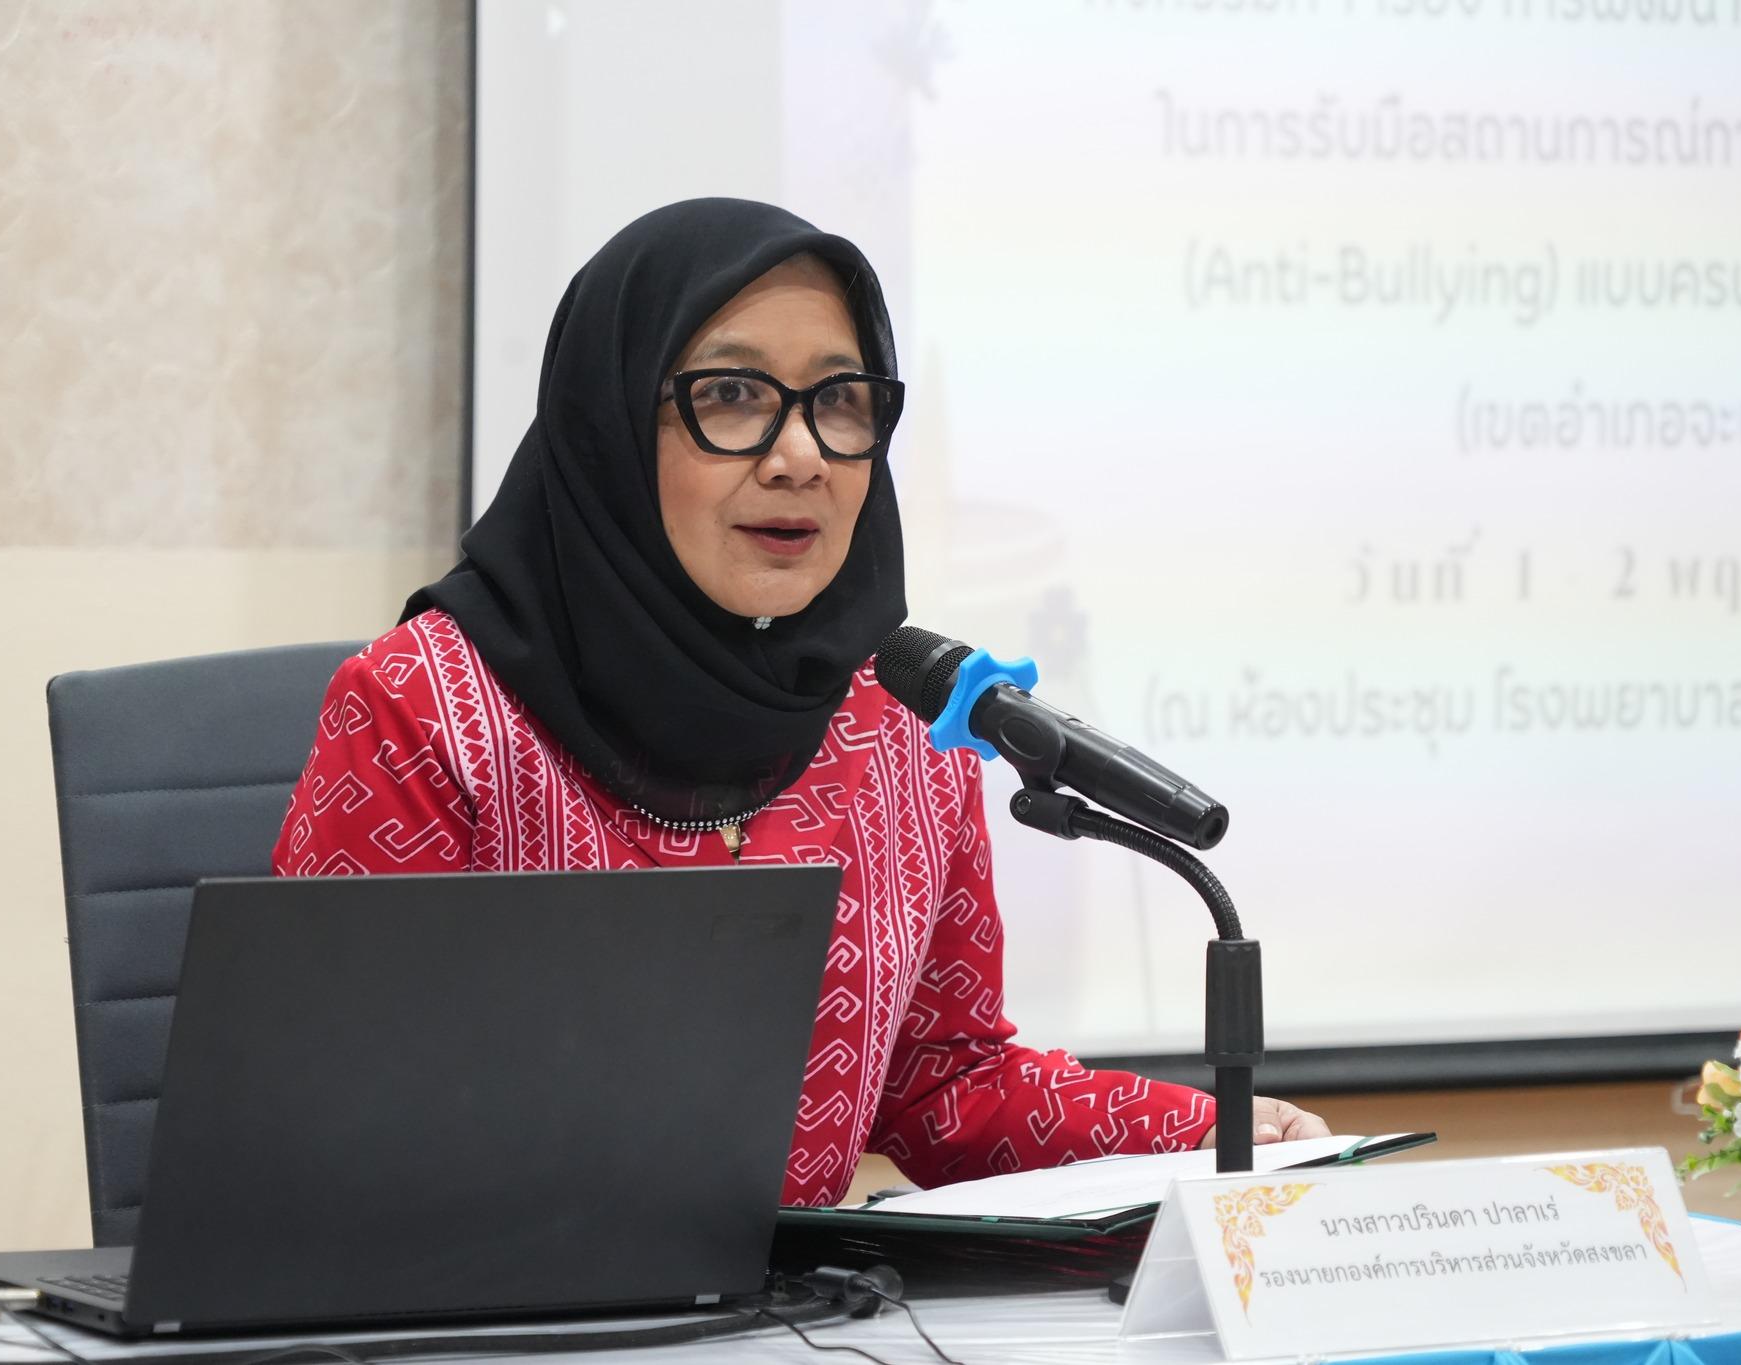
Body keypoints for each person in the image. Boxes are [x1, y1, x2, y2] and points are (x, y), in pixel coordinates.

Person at [272, 198, 1326, 1205]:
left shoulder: (904, 718)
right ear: (609, 423)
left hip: (794, 1310)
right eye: (731, 395)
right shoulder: (425, 710)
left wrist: (1202, 1134)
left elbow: (941, 1084)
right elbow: (326, 1115)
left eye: (839, 400)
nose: (800, 457)